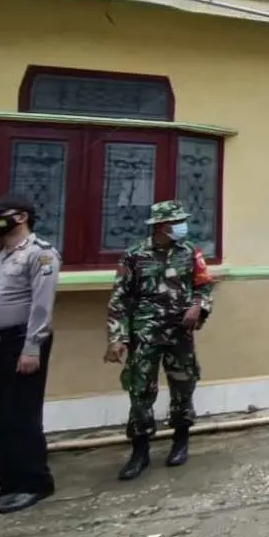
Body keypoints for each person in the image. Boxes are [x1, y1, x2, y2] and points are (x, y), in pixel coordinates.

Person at [0, 194, 60, 514]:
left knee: (21, 416)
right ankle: (8, 479)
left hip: (21, 343)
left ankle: (35, 483)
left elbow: (42, 306)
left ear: (20, 217)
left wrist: (32, 348)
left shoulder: (40, 254)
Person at [105, 201, 215, 481]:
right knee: (140, 390)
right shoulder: (134, 255)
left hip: (180, 333)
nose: (182, 226)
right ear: (161, 226)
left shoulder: (190, 252)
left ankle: (180, 441)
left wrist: (198, 307)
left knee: (183, 385)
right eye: (177, 221)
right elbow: (119, 298)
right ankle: (139, 451)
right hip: (145, 334)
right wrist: (117, 337)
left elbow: (204, 286)